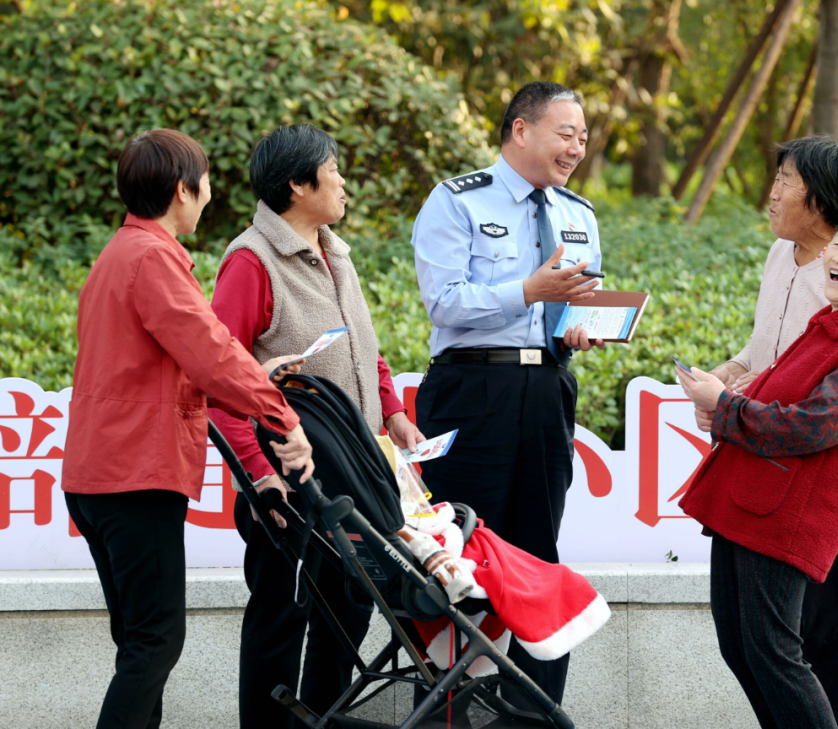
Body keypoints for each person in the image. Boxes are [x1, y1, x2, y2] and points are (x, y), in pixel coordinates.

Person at [63, 129, 314, 729]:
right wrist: (280, 413)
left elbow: (168, 363)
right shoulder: (153, 258)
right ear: (183, 189)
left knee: (140, 645)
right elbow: (209, 354)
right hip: (134, 476)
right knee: (155, 644)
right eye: (204, 186)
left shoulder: (119, 254)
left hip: (99, 474)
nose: (207, 199)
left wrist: (255, 373)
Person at [207, 124, 425, 728]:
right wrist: (259, 477)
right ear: (299, 185)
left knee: (349, 615)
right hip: (286, 482)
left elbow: (366, 351)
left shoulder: (335, 253)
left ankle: (326, 722)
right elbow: (222, 377)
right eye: (334, 170)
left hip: (352, 474)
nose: (344, 182)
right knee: (282, 618)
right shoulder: (251, 262)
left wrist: (396, 413)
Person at [677, 207, 838, 729]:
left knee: (773, 651)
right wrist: (727, 393)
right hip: (752, 504)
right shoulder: (830, 326)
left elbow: (814, 425)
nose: (836, 254)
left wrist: (725, 407)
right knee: (741, 647)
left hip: (784, 517)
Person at [410, 80, 603, 710]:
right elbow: (443, 301)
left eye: (581, 136)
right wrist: (527, 290)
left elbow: (578, 302)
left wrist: (582, 328)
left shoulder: (578, 215)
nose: (576, 147)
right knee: (457, 552)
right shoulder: (456, 201)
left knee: (537, 550)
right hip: (471, 390)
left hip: (547, 390)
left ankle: (532, 714)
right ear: (521, 129)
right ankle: (446, 710)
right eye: (564, 133)